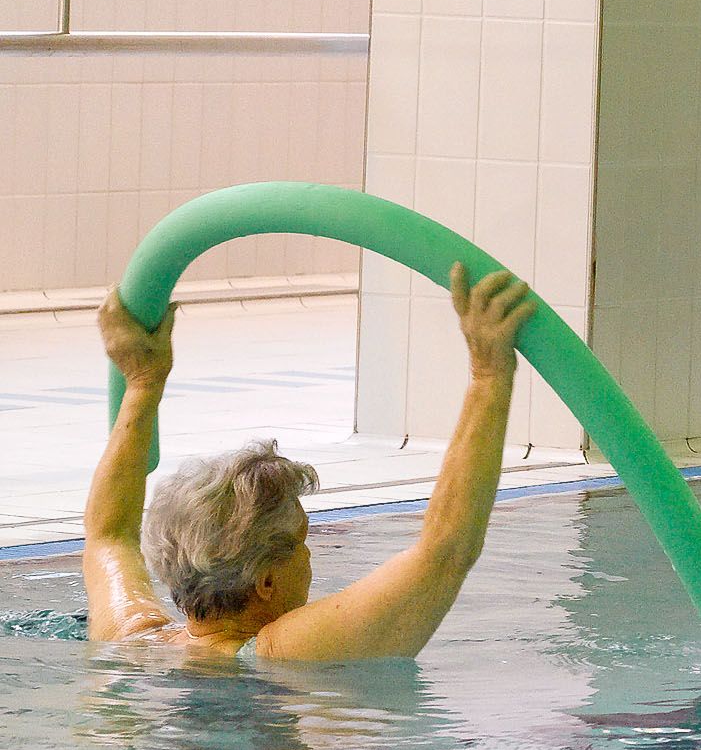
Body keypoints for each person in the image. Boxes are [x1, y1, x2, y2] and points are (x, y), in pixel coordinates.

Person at [82, 265, 542, 662]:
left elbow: (108, 535)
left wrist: (142, 381)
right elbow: (445, 552)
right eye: (302, 540)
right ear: (265, 581)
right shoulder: (286, 652)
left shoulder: (136, 641)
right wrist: (489, 373)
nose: (310, 555)